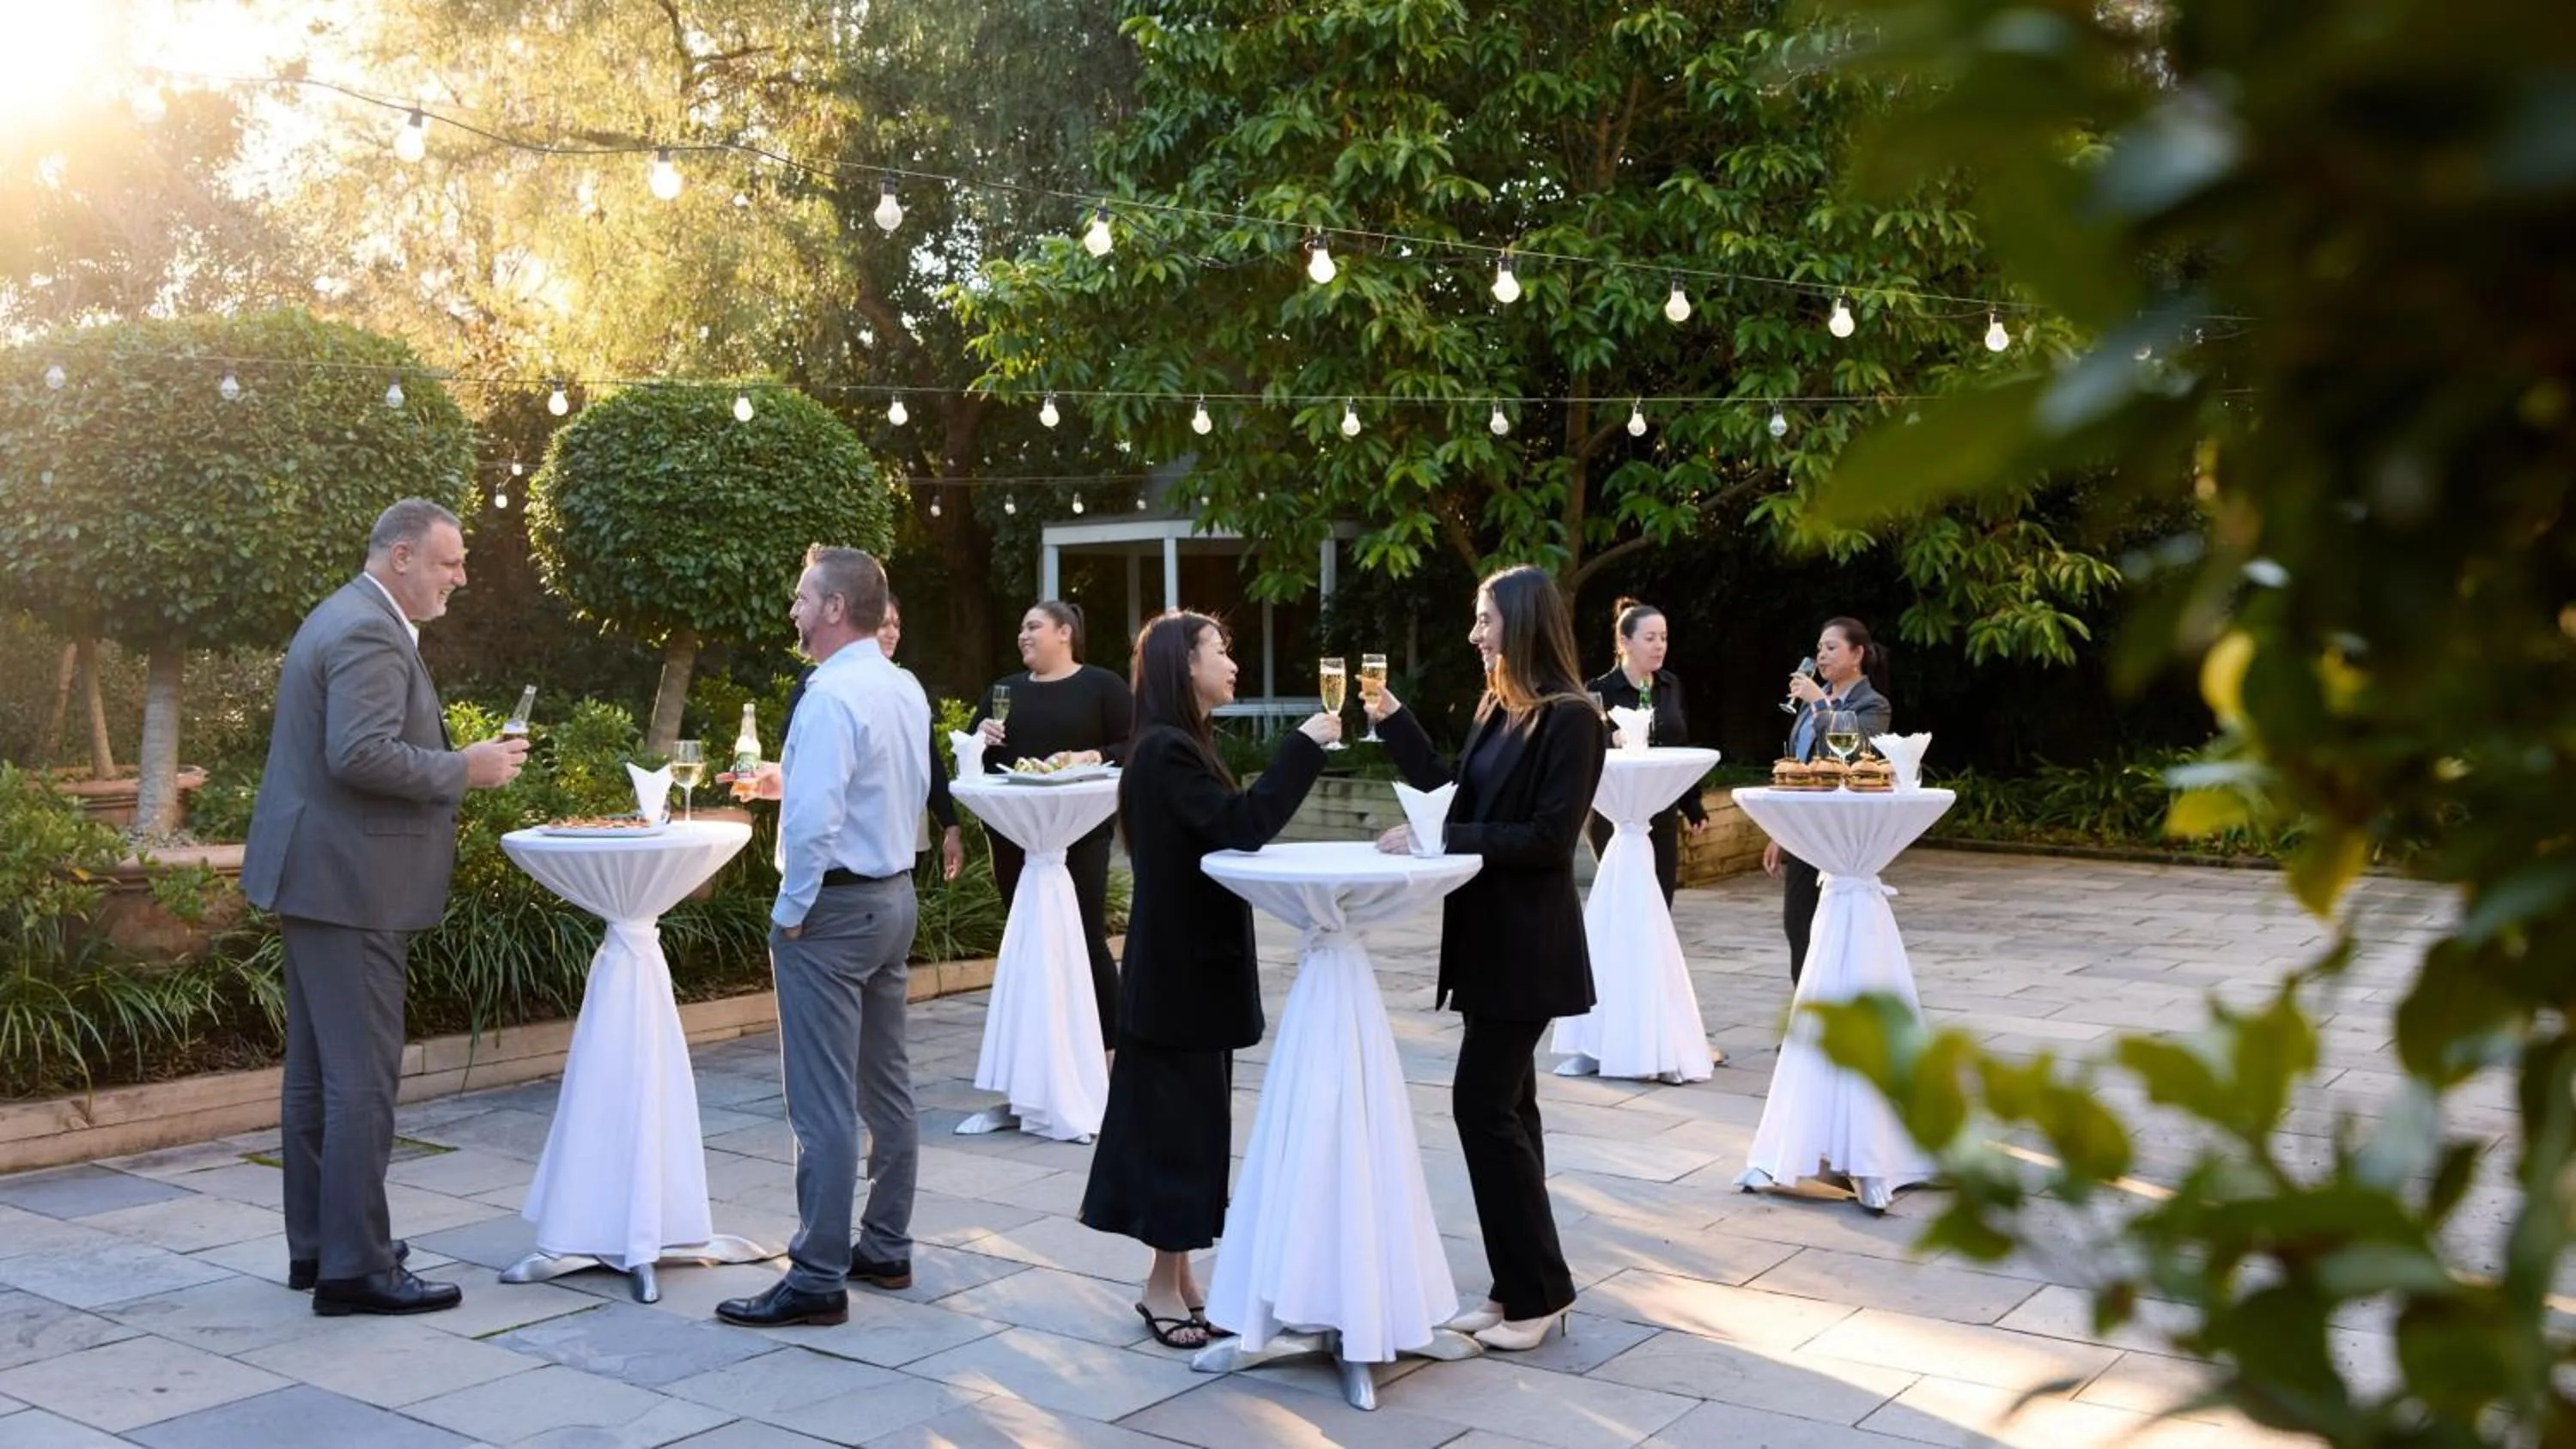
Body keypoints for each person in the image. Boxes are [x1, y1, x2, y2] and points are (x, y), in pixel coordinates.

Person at [241, 498, 528, 1317]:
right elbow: (359, 753)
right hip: (351, 882)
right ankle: (357, 1268)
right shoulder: (368, 628)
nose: (461, 576)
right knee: (362, 1077)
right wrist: (461, 768)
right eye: (449, 562)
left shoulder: (346, 611)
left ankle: (322, 1247)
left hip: (319, 877)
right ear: (400, 556)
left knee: (318, 1076)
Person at [1077, 611, 1336, 1348]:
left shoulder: (1182, 744)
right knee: (1177, 1132)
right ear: (1182, 665)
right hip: (1177, 974)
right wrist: (1304, 746)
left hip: (1190, 969)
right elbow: (1242, 824)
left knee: (1194, 1125)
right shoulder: (1163, 751)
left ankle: (1183, 1278)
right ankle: (1162, 1285)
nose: (1232, 662)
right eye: (1219, 650)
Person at [1364, 565, 1604, 1352]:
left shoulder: (1572, 719)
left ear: (1523, 623)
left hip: (1530, 948)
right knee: (1511, 1113)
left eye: (1484, 620)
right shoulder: (1497, 707)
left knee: (1482, 1109)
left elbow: (1545, 840)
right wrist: (1394, 719)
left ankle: (1539, 1293)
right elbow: (1451, 798)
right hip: (1486, 944)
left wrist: (1445, 839)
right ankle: (1517, 1289)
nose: (1475, 635)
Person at [717, 547, 930, 1328]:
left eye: (803, 598)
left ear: (837, 607)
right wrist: (789, 777)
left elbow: (813, 826)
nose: (794, 611)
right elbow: (888, 788)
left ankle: (815, 1276)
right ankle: (886, 1244)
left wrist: (790, 910)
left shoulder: (829, 696)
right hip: (892, 899)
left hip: (833, 913)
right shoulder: (901, 686)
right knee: (888, 1085)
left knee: (821, 1100)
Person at [971, 601, 1133, 1046]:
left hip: (1080, 834)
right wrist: (979, 739)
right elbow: (969, 759)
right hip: (1013, 836)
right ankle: (1035, 1049)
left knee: (1084, 934)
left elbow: (1136, 742)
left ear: (1065, 633)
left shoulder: (1103, 686)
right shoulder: (1003, 691)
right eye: (1021, 628)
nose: (1023, 635)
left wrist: (1095, 755)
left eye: (1033, 626)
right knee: (1025, 939)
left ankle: (1112, 1049)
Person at [769, 590, 961, 880]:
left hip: (898, 847)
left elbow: (929, 758)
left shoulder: (907, 687)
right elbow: (809, 764)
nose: (892, 633)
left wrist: (950, 824)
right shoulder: (819, 685)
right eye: (883, 624)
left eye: (897, 625)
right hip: (844, 858)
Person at [1764, 615, 1894, 985]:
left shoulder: (1873, 704)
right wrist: (1779, 829)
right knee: (1798, 925)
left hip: (1843, 827)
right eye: (1820, 647)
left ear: (1857, 654)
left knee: (1838, 926)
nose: (1821, 655)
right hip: (1804, 827)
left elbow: (1854, 752)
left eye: (1832, 648)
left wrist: (1820, 703)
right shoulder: (1812, 701)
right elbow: (1802, 764)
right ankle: (1803, 1025)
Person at [1583, 597, 1710, 904]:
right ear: (1624, 642)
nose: (1659, 646)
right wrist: (1611, 740)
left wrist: (1693, 805)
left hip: (1661, 809)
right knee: (1624, 901)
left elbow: (1679, 747)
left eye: (1664, 638)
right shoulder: (1598, 690)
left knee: (1659, 901)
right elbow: (1583, 751)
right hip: (1615, 813)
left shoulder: (1670, 685)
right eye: (1650, 638)